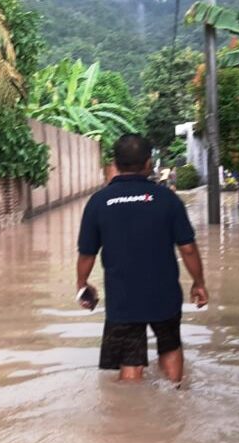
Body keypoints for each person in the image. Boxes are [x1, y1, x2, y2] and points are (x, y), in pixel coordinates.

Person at [75, 134, 209, 383]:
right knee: (170, 348)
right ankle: (175, 400)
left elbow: (87, 253)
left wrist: (82, 284)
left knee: (130, 361)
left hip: (123, 298)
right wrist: (199, 282)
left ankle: (132, 417)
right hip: (164, 294)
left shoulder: (98, 202)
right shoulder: (168, 199)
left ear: (115, 162)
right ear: (149, 163)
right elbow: (188, 248)